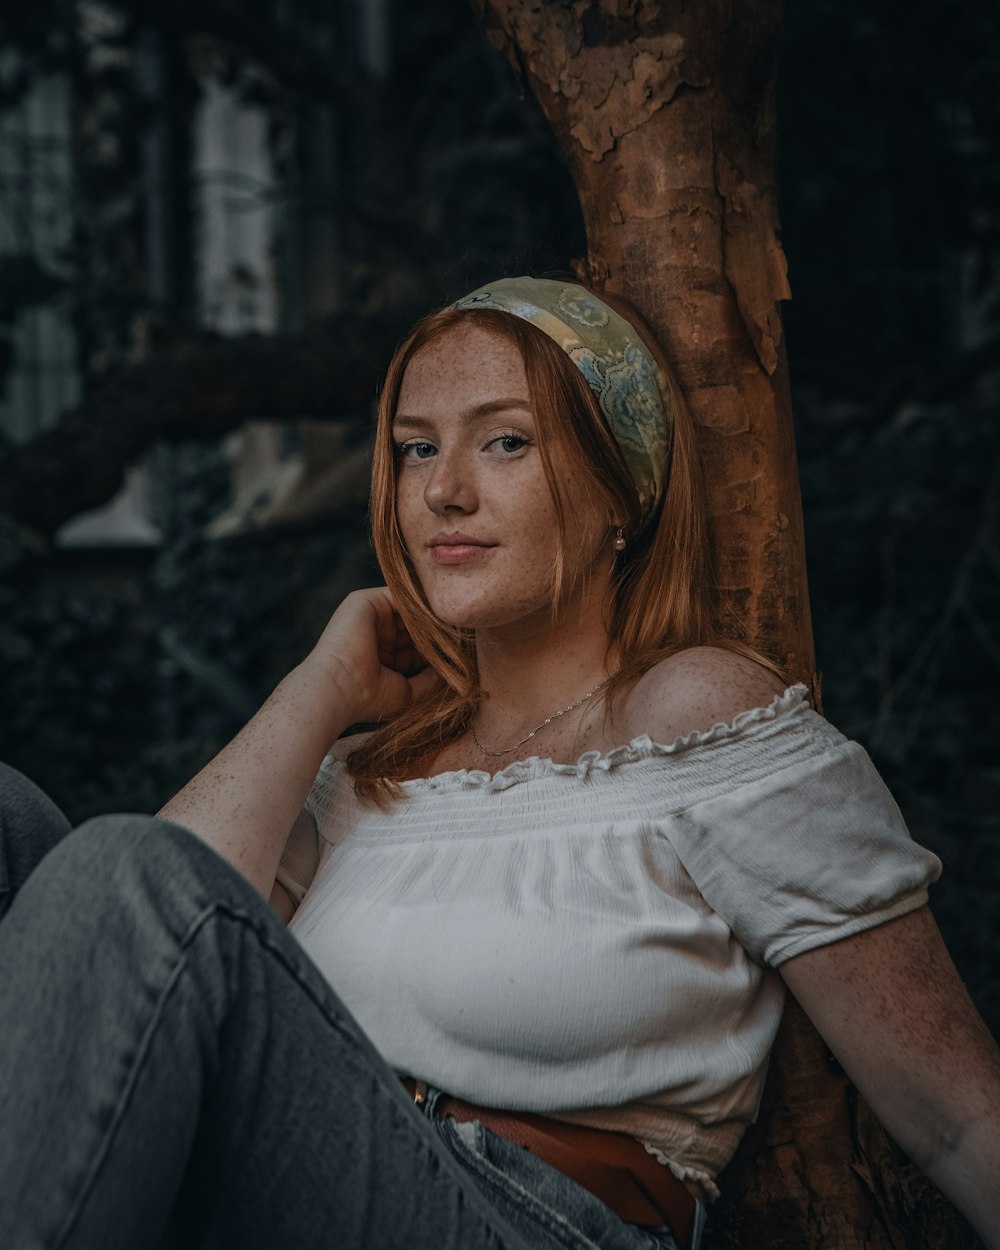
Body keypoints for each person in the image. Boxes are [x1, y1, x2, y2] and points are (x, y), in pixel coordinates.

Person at [0, 277, 997, 1250]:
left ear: (618, 491)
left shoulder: (697, 717)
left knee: (121, 870)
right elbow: (146, 954)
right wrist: (320, 688)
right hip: (274, 1186)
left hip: (530, 1213)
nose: (443, 490)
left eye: (505, 440)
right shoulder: (358, 772)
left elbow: (956, 1109)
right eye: (414, 449)